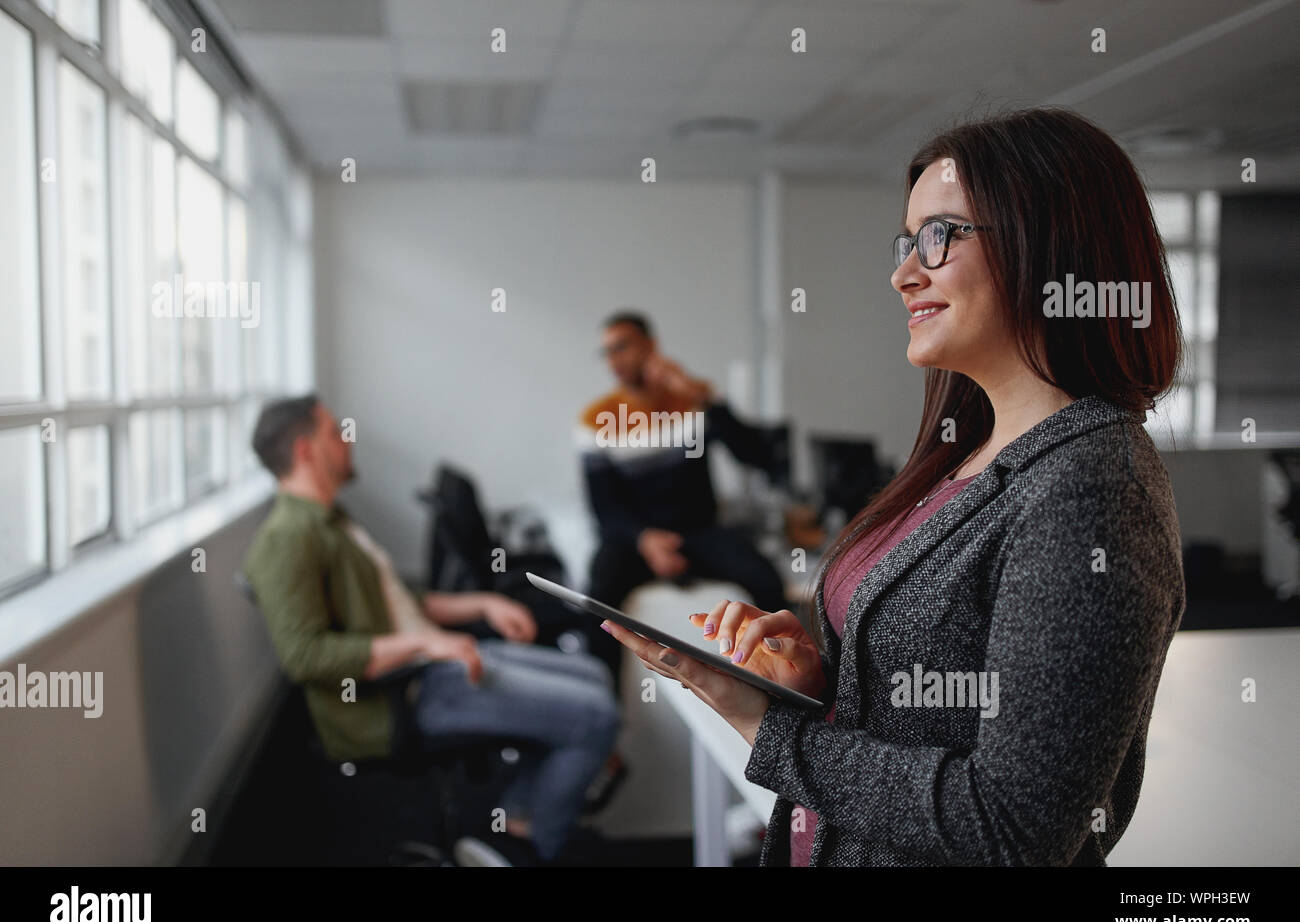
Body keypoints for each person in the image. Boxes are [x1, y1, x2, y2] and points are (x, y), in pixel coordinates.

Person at [602, 107, 1187, 866]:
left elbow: (1014, 827)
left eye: (940, 237)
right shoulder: (967, 453)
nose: (904, 273)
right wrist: (831, 685)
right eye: (907, 242)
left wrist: (768, 729)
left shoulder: (1089, 487)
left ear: (1051, 247)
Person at [241, 394, 621, 864]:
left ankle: (520, 821)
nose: (348, 441)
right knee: (597, 715)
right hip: (401, 695)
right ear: (305, 451)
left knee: (594, 676)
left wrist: (483, 602)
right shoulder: (288, 538)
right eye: (336, 434)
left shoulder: (333, 520)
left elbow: (399, 604)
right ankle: (533, 846)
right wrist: (426, 642)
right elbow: (304, 656)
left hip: (432, 661)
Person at [577, 312, 786, 614]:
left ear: (651, 346)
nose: (613, 360)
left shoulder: (690, 400)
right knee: (599, 592)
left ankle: (777, 659)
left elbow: (755, 455)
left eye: (622, 347)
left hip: (699, 532)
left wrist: (707, 400)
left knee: (765, 579)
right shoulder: (595, 418)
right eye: (606, 352)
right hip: (635, 541)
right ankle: (598, 664)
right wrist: (645, 540)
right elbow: (604, 507)